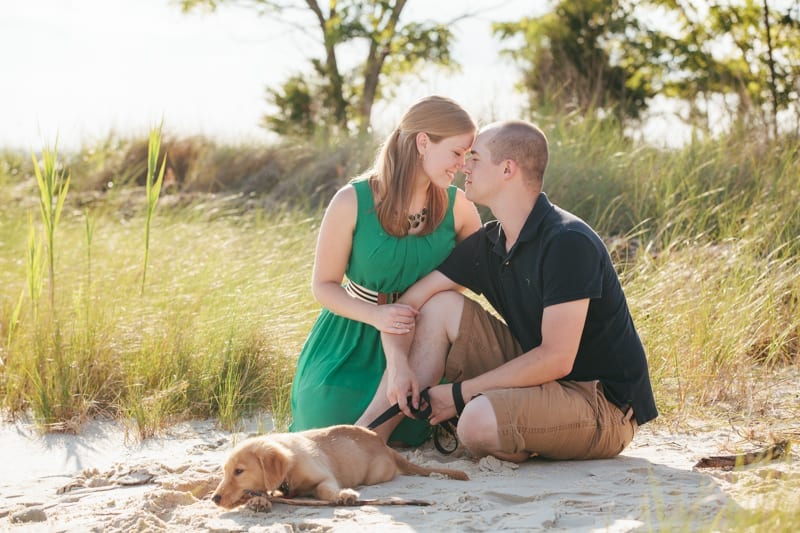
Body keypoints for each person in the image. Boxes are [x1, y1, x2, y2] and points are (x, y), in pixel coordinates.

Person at [356, 120, 657, 462]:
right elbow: (410, 304)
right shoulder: (489, 242)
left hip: (602, 404)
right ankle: (366, 436)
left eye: (475, 158)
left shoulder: (567, 241)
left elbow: (557, 358)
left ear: (507, 169)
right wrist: (398, 365)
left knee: (476, 422)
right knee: (439, 305)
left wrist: (458, 394)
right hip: (545, 383)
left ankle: (509, 428)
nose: (462, 166)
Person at [289, 95, 482, 446]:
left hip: (425, 342)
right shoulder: (351, 201)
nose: (462, 165)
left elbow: (482, 275)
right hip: (351, 335)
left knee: (409, 428)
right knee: (324, 421)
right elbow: (324, 286)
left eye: (467, 156)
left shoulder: (460, 208)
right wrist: (377, 316)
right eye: (456, 153)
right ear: (423, 142)